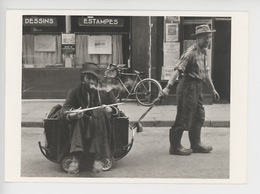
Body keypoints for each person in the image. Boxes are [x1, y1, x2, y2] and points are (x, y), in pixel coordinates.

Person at [159, 24, 220, 156]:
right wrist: (168, 88)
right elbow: (177, 70)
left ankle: (196, 144)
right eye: (206, 38)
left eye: (209, 37)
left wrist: (213, 89)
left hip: (198, 87)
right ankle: (175, 147)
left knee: (199, 116)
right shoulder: (190, 53)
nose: (208, 40)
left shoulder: (204, 52)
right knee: (184, 116)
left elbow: (206, 73)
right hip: (187, 87)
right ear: (198, 39)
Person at [59, 62, 119, 173]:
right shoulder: (75, 91)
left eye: (94, 79)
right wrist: (72, 114)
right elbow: (64, 110)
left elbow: (116, 109)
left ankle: (97, 157)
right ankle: (76, 157)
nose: (91, 81)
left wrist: (110, 110)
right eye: (88, 78)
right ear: (83, 79)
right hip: (81, 124)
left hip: (100, 124)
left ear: (97, 80)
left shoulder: (105, 91)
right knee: (79, 116)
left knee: (99, 112)